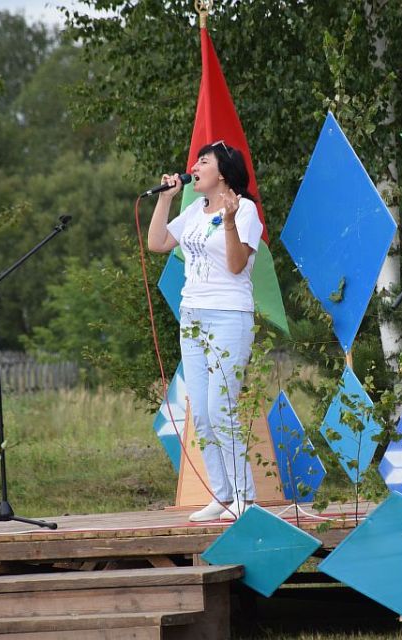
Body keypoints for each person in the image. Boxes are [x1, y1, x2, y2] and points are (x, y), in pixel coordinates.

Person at [147, 141, 262, 521]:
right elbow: (157, 243)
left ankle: (245, 497)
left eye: (203, 161)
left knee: (220, 408)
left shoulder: (245, 210)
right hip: (192, 315)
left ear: (223, 172)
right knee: (200, 413)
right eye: (196, 161)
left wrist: (228, 222)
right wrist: (165, 199)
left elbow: (236, 266)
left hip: (229, 315)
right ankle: (222, 495)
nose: (194, 167)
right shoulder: (196, 209)